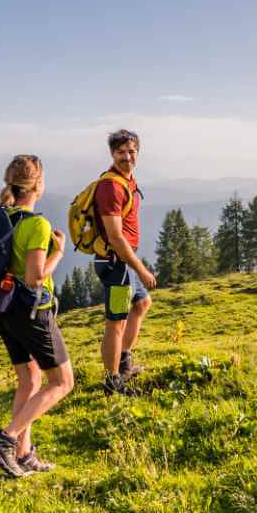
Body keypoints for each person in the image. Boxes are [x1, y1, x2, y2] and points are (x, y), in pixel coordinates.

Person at [0, 154, 74, 477]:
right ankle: (5, 439)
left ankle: (23, 455)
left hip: (5, 311)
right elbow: (34, 277)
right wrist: (58, 252)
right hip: (33, 312)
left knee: (30, 381)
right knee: (62, 382)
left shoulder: (1, 218)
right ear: (38, 185)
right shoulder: (36, 225)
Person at [91, 127, 156, 392]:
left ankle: (124, 362)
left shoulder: (127, 181)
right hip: (114, 263)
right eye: (121, 152)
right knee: (115, 322)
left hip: (124, 262)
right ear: (112, 154)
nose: (127, 157)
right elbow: (116, 238)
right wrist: (140, 269)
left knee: (141, 304)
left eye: (131, 151)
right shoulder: (110, 187)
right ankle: (112, 381)